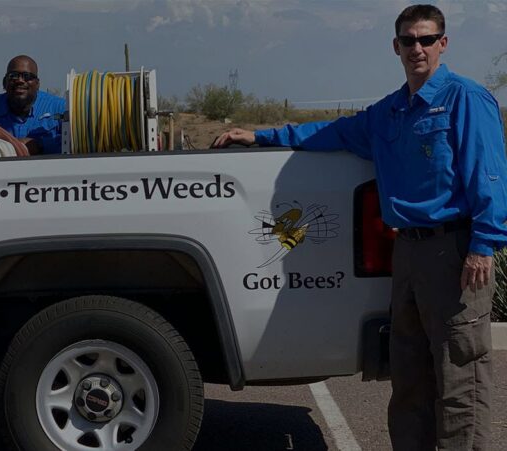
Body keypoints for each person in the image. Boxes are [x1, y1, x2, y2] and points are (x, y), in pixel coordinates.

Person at [212, 5, 504, 450]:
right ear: (396, 47)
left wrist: (483, 246)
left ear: (443, 43)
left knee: (461, 377)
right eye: (408, 40)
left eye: (427, 39)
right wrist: (260, 136)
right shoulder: (388, 113)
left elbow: (489, 177)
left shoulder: (466, 99)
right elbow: (328, 133)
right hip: (407, 253)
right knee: (409, 374)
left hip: (456, 252)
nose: (417, 48)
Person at [0, 55, 66, 155]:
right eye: (13, 75)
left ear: (37, 84)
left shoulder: (61, 108)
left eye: (27, 76)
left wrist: (41, 145)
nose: (20, 80)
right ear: (4, 83)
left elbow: (78, 141)